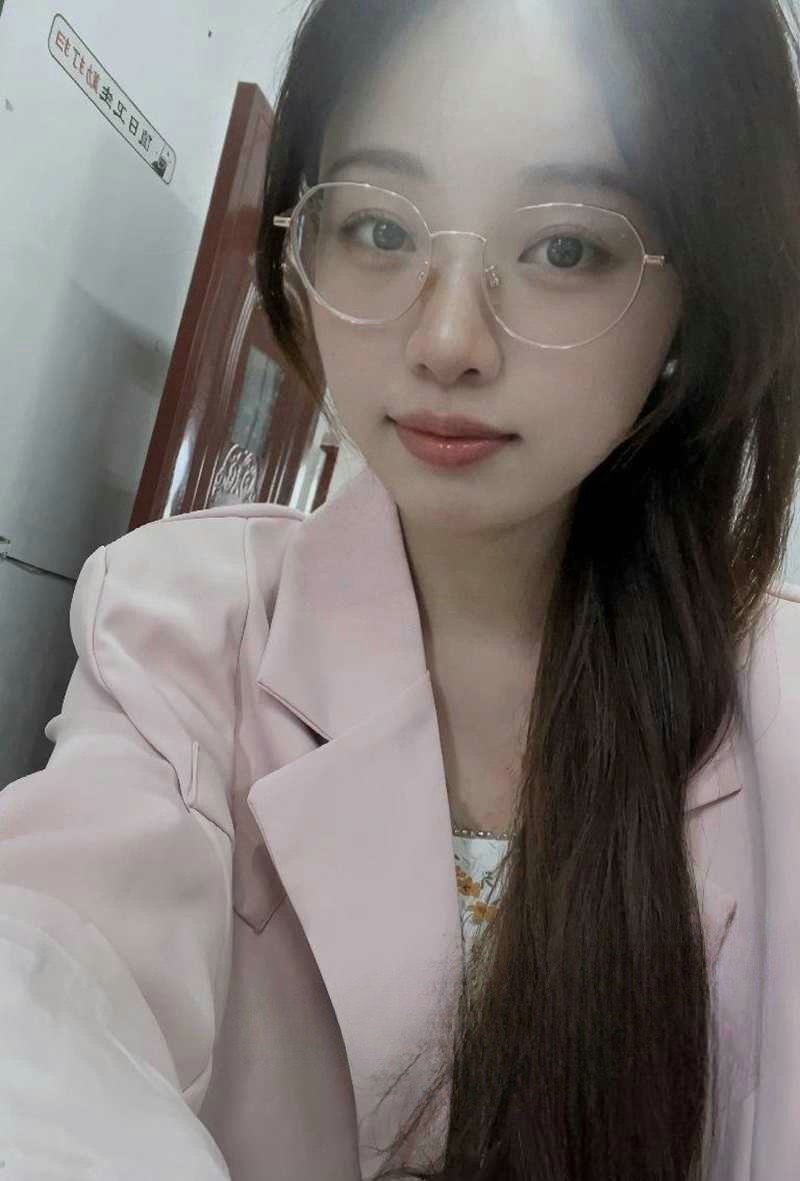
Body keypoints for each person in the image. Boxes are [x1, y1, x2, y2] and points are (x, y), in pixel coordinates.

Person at [2, 0, 800, 1177]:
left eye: (562, 247)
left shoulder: (780, 708)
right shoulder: (184, 624)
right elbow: (46, 986)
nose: (445, 339)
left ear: (700, 295)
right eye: (377, 227)